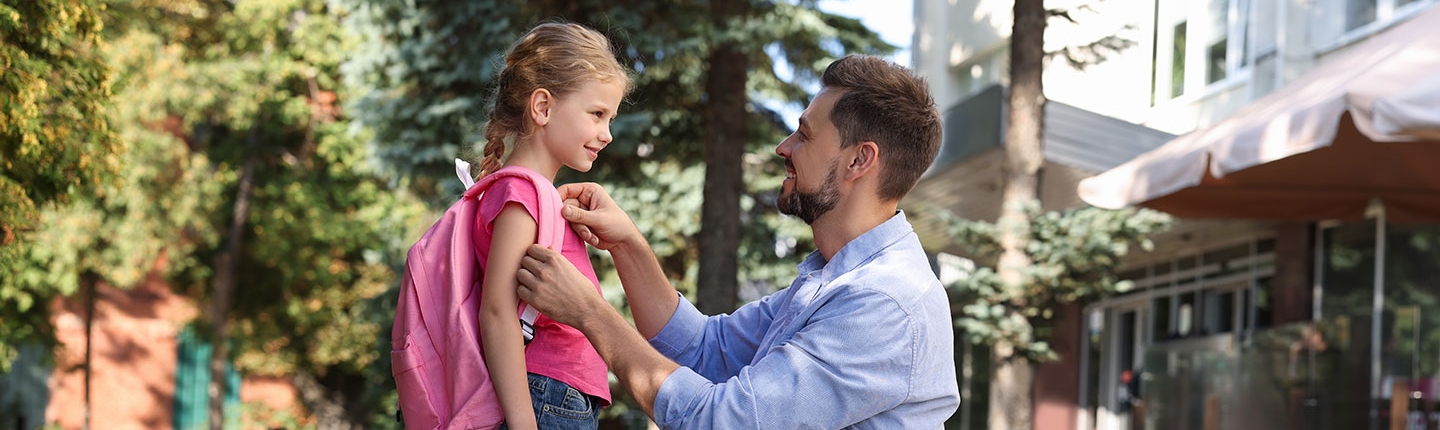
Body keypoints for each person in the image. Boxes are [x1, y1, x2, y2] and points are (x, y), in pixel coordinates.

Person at [514, 54, 961, 429]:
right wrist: (627, 244)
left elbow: (723, 421)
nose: (783, 147)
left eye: (804, 134)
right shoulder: (833, 279)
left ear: (859, 160)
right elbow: (703, 348)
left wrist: (589, 313)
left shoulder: (885, 304)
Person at [473, 21, 628, 430]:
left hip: (558, 396)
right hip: (545, 398)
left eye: (609, 118)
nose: (607, 134)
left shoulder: (533, 196)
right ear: (543, 107)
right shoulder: (520, 197)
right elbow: (497, 313)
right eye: (597, 114)